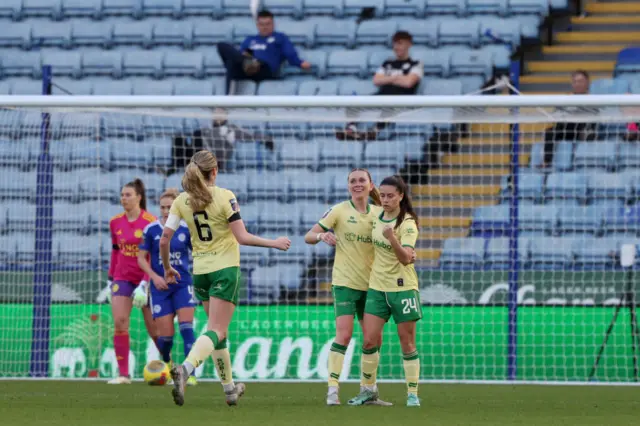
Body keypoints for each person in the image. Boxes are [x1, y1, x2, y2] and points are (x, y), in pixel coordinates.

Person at [161, 150, 291, 406]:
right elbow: (242, 237)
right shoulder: (224, 196)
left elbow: (165, 238)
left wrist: (167, 268)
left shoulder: (181, 201)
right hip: (225, 270)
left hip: (200, 273)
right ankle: (185, 369)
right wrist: (273, 243)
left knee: (219, 332)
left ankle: (230, 389)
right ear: (215, 171)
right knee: (216, 329)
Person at [304, 169, 392, 406]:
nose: (357, 184)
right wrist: (322, 237)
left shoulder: (379, 213)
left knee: (373, 339)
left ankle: (368, 391)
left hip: (373, 285)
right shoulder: (339, 211)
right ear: (348, 186)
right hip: (344, 283)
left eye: (361, 180)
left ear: (370, 184)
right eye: (352, 181)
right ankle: (332, 391)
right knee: (344, 335)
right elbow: (309, 235)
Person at [347, 175, 422, 408]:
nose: (387, 199)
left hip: (403, 289)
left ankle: (412, 393)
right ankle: (368, 390)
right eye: (384, 195)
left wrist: (392, 239)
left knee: (407, 342)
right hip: (377, 289)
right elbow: (369, 196)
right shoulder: (377, 215)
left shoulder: (407, 223)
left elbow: (406, 259)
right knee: (369, 341)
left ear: (401, 196)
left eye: (391, 196)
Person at [137, 188, 198, 386]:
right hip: (160, 287)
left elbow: (197, 252)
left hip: (182, 284)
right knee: (166, 338)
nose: (165, 211)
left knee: (187, 328)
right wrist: (154, 277)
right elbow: (140, 258)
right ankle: (168, 368)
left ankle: (190, 374)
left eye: (169, 207)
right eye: (162, 207)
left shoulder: (186, 228)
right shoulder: (151, 230)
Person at [107, 179, 158, 385]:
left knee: (155, 330)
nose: (124, 198)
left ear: (139, 197)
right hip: (123, 278)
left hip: (145, 279)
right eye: (122, 195)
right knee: (119, 322)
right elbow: (115, 251)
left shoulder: (150, 222)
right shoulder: (115, 222)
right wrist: (110, 279)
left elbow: (154, 256)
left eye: (128, 195)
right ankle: (123, 374)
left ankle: (171, 367)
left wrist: (146, 283)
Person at [336, 31, 423, 141]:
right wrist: (397, 78)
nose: (396, 47)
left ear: (409, 44)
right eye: (395, 44)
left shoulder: (416, 64)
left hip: (402, 99)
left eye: (400, 43)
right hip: (382, 96)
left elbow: (409, 82)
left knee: (390, 105)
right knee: (355, 101)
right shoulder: (388, 63)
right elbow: (376, 80)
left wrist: (388, 79)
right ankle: (351, 129)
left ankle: (375, 131)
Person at [217, 9, 312, 95]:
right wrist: (244, 58)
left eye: (268, 24)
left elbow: (289, 53)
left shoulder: (279, 38)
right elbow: (244, 53)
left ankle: (250, 64)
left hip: (264, 69)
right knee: (222, 47)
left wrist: (300, 63)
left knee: (242, 62)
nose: (265, 27)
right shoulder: (251, 40)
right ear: (257, 25)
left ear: (273, 24)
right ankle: (226, 100)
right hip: (246, 67)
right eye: (262, 24)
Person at [540, 70, 596, 168]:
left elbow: (596, 116)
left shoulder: (595, 100)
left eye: (580, 81)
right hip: (566, 128)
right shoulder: (565, 99)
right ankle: (546, 161)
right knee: (550, 131)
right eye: (575, 81)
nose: (577, 84)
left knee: (585, 126)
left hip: (582, 128)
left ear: (587, 82)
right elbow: (556, 114)